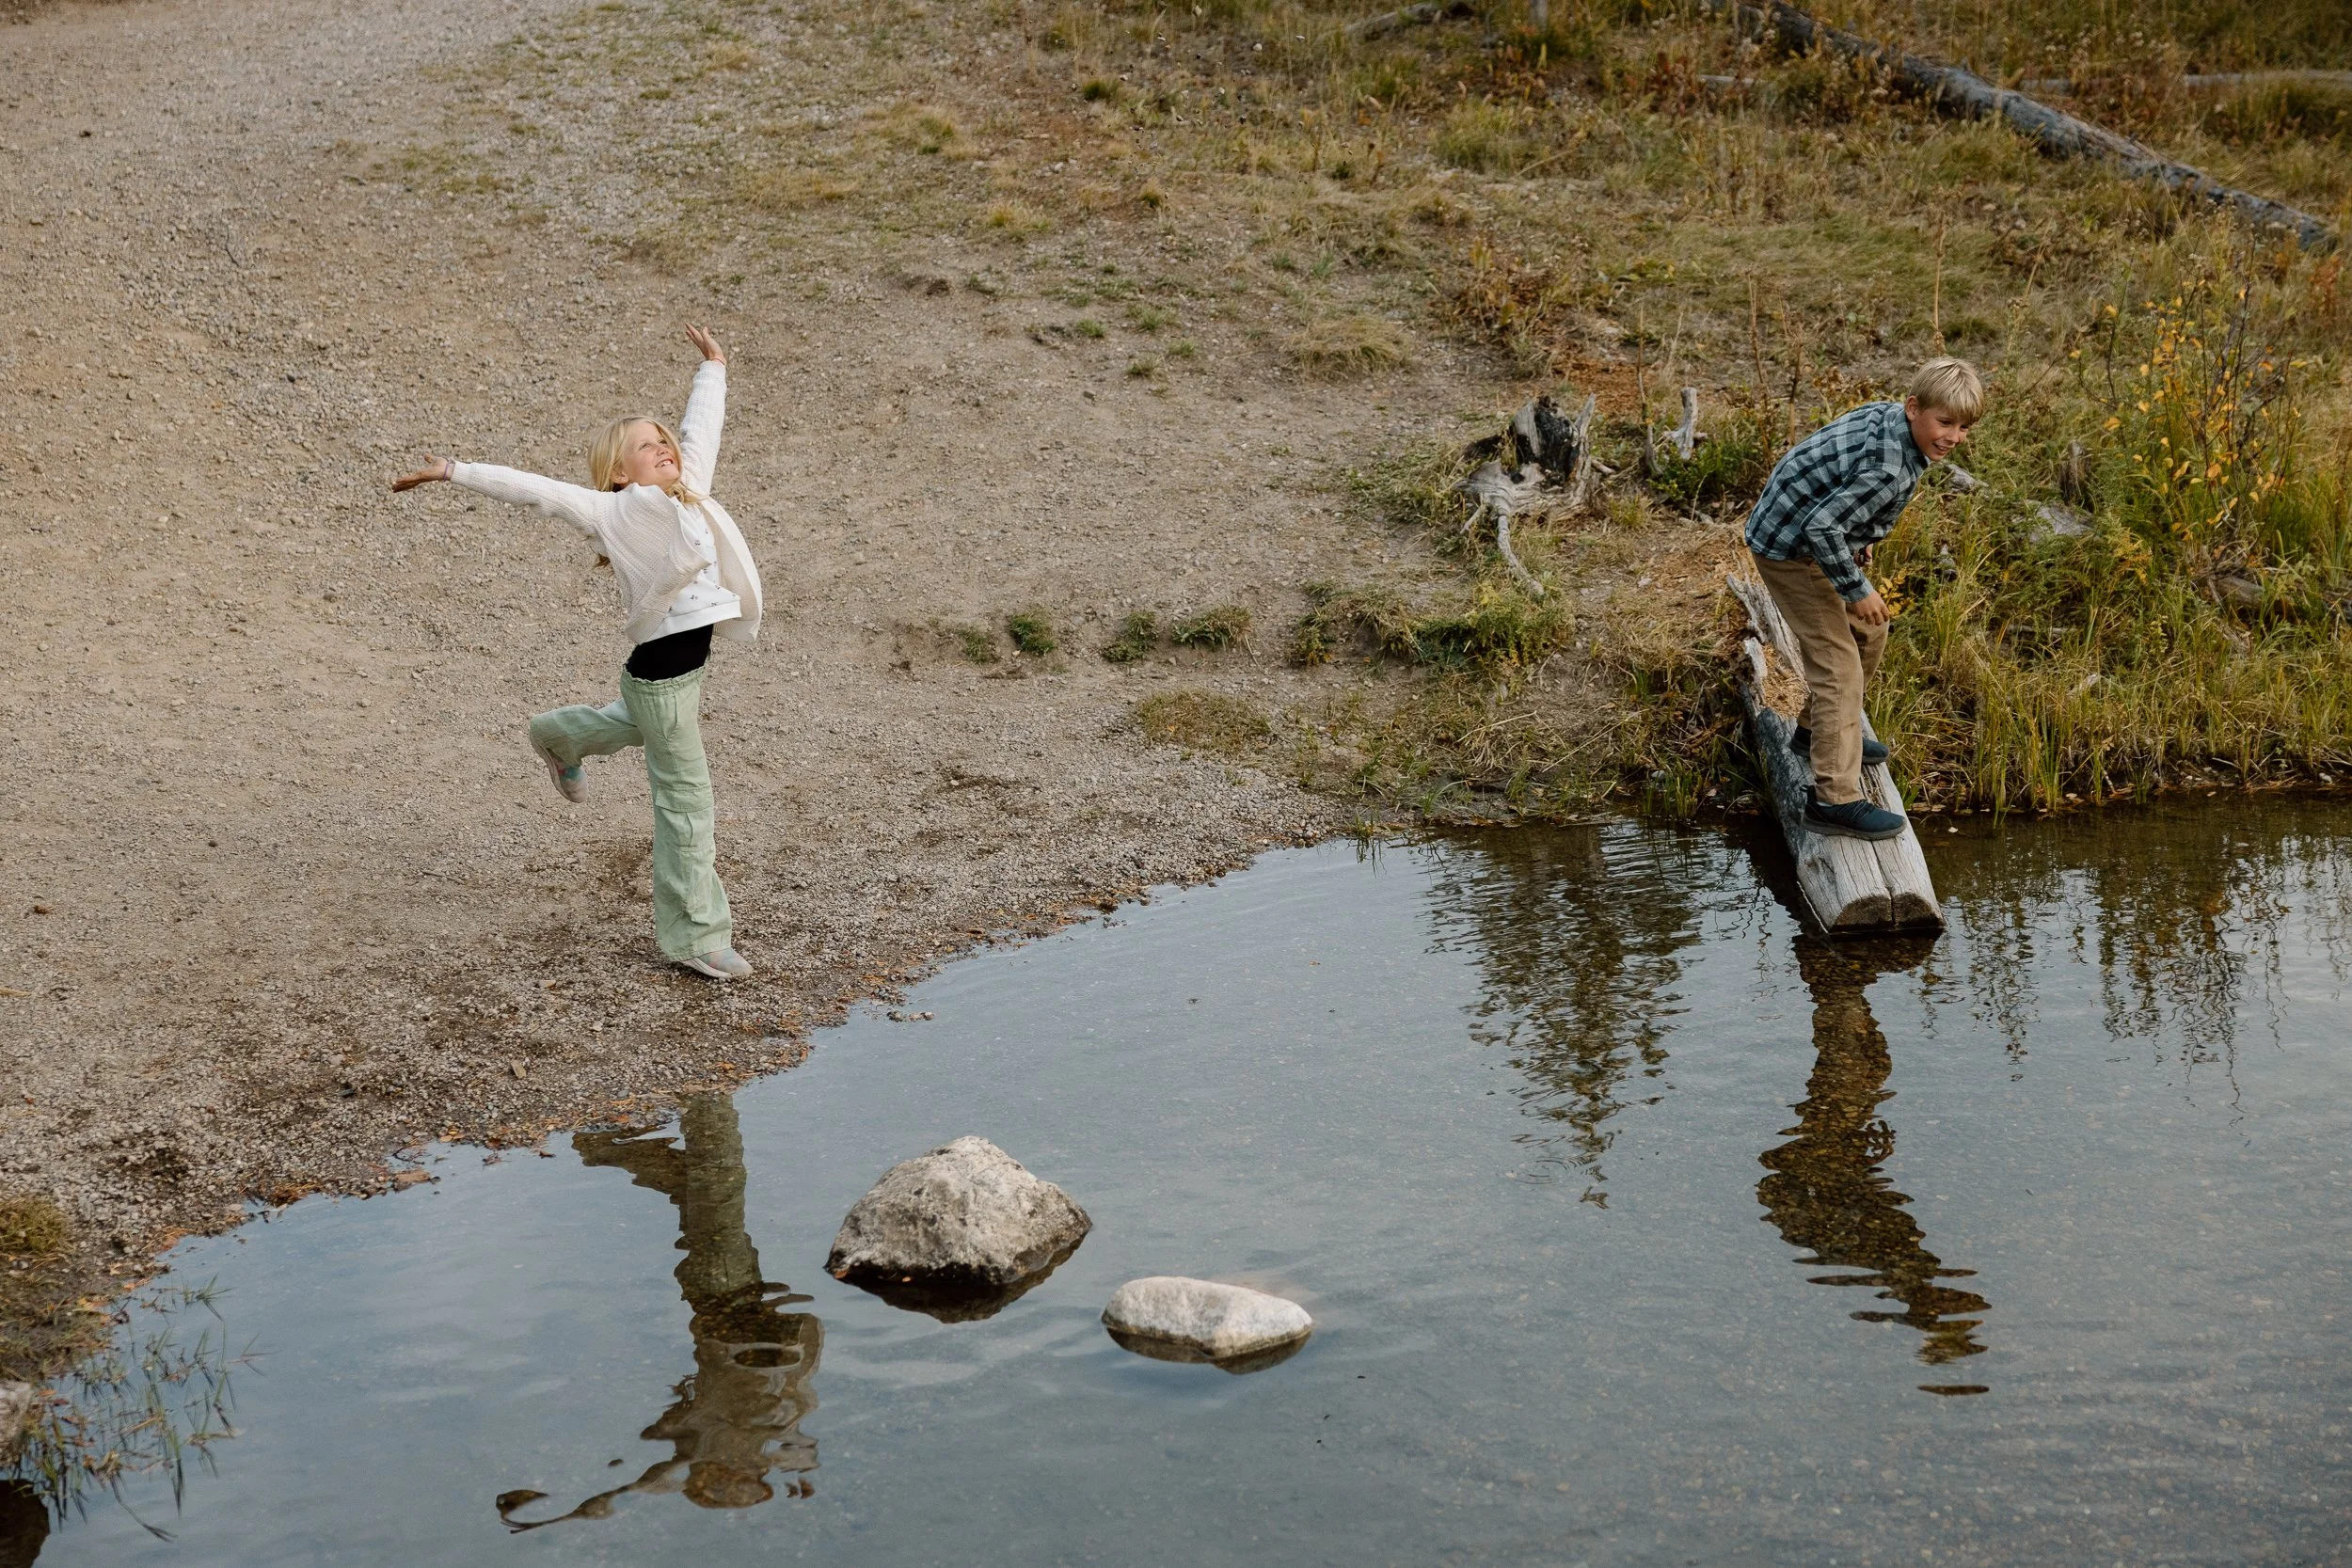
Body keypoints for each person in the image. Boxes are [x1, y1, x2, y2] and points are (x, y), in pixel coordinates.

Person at [391, 325, 761, 979]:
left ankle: (556, 736)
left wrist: (715, 369)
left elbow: (701, 428)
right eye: (647, 446)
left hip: (670, 680)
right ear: (621, 472)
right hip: (663, 682)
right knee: (687, 802)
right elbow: (530, 485)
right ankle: (696, 936)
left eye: (664, 441)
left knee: (631, 723)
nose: (666, 447)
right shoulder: (607, 511)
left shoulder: (689, 483)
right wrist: (453, 471)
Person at [1746, 357, 1982, 841]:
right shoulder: (1890, 468)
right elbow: (1821, 527)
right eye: (1945, 422)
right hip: (1792, 549)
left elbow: (1839, 483)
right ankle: (1834, 799)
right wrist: (1855, 589)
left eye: (1963, 427)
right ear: (1915, 408)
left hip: (1802, 527)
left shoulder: (1889, 416)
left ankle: (1818, 732)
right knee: (1839, 666)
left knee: (1872, 629)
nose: (1954, 437)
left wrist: (1859, 534)